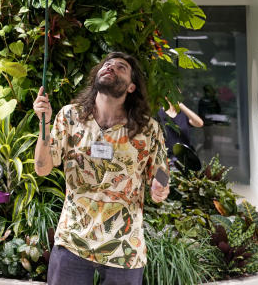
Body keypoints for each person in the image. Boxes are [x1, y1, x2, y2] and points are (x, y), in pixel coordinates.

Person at [32, 52, 169, 284]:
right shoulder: (70, 116)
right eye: (107, 64)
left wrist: (161, 185)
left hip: (124, 247)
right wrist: (44, 123)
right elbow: (42, 168)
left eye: (121, 67)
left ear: (132, 87)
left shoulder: (148, 129)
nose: (110, 67)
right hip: (73, 240)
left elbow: (162, 170)